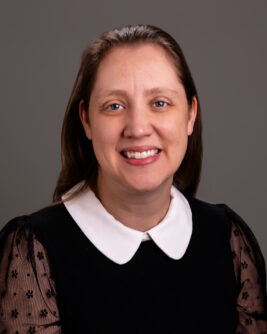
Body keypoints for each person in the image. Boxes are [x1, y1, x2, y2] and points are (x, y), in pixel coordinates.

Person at [0, 24, 266, 334]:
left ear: (190, 115)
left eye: (160, 103)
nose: (138, 128)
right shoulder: (31, 251)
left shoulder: (229, 239)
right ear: (86, 120)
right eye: (115, 106)